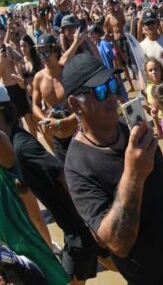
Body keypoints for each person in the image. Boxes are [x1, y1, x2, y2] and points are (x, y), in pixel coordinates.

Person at [61, 52, 163, 284]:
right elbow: (117, 244)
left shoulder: (132, 129)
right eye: (99, 91)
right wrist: (133, 174)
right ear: (76, 105)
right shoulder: (77, 166)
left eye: (111, 85)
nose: (110, 96)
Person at [0, 85, 102, 284]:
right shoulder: (15, 142)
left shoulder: (21, 146)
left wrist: (90, 217)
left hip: (77, 227)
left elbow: (61, 174)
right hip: (72, 226)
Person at [30, 33, 77, 162]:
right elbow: (35, 105)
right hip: (58, 140)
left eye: (46, 53)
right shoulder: (39, 78)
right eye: (40, 53)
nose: (44, 58)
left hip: (78, 135)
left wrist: (62, 122)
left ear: (55, 51)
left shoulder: (69, 73)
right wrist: (45, 119)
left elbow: (83, 104)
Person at [138, 9, 163, 91]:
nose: (150, 26)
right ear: (144, 26)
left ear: (157, 23)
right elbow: (142, 71)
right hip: (154, 91)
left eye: (152, 22)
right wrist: (144, 89)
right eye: (147, 23)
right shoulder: (141, 47)